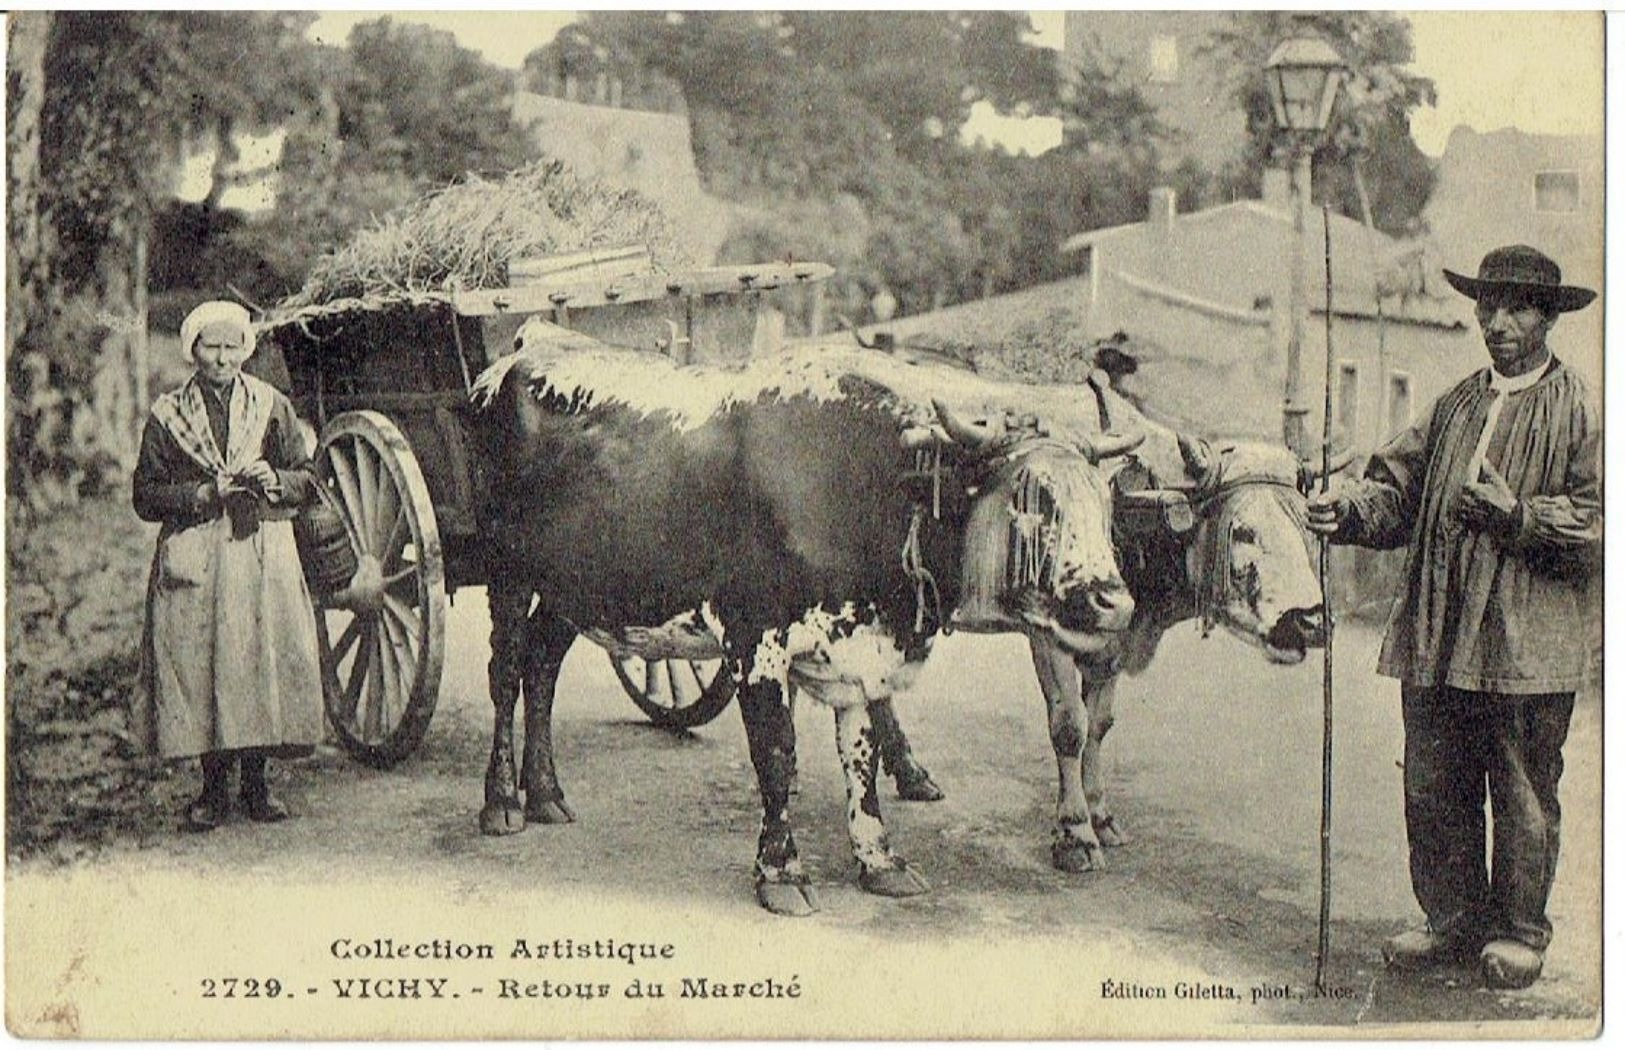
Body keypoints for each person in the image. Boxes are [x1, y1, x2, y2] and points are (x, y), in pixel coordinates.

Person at [1307, 245, 1600, 990]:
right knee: (1433, 784)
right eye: (1487, 307)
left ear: (1547, 318)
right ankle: (1450, 920)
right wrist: (1342, 510)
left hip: (1525, 642)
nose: (1498, 323)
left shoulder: (1581, 410)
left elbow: (1602, 523)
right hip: (1437, 633)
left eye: (1518, 309)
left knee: (1522, 789)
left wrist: (1522, 517)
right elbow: (1392, 495)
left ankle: (1519, 932)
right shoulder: (1456, 404)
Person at [132, 301, 325, 831]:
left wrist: (274, 479)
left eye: (231, 347)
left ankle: (257, 786)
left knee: (256, 661)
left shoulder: (271, 406)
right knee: (202, 667)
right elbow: (145, 496)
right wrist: (200, 492)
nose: (221, 359)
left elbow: (308, 477)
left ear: (246, 350)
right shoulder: (168, 416)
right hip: (198, 552)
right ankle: (213, 790)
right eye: (210, 347)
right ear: (192, 351)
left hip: (260, 546)